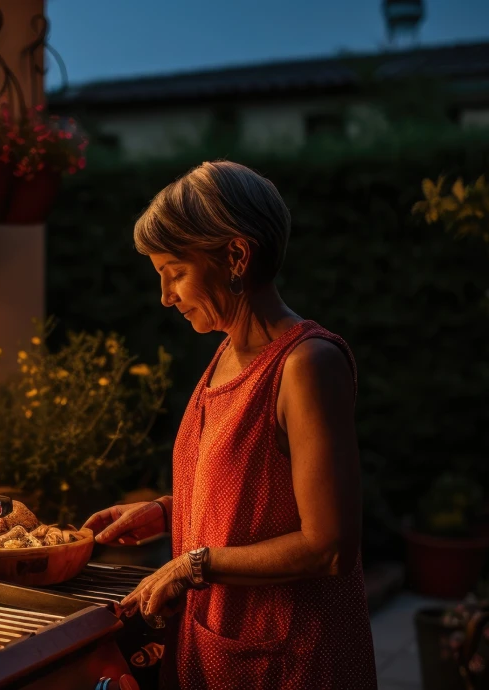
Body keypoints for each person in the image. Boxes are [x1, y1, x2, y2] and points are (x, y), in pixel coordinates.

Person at [83, 161, 377, 689]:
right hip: (223, 648)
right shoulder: (226, 354)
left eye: (175, 272)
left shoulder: (306, 364)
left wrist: (190, 565)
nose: (166, 296)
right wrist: (164, 511)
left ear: (236, 256)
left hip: (292, 661)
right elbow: (256, 496)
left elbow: (329, 546)